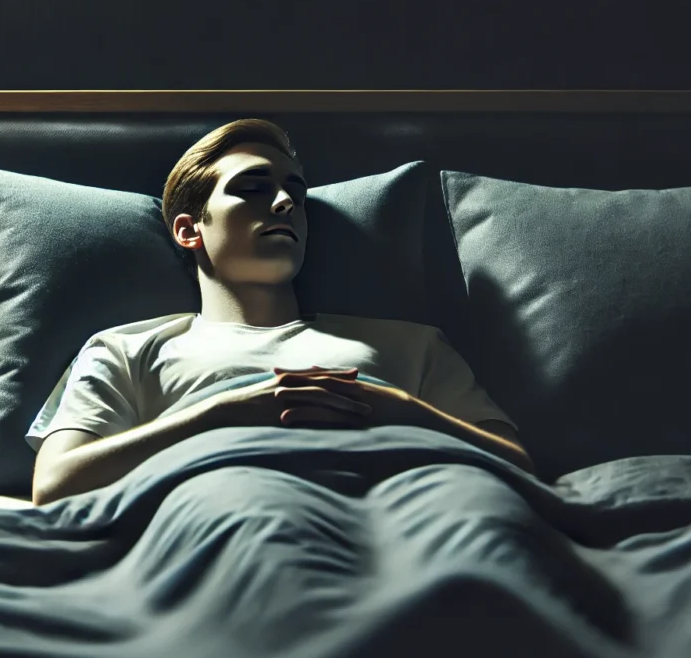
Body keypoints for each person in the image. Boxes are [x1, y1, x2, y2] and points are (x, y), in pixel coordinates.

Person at [27, 118, 534, 506]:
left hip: (398, 519)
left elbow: (519, 469)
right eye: (252, 188)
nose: (286, 201)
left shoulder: (413, 345)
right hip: (217, 521)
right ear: (189, 230)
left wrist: (403, 414)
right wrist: (223, 415)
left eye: (296, 191)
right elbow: (55, 484)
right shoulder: (124, 349)